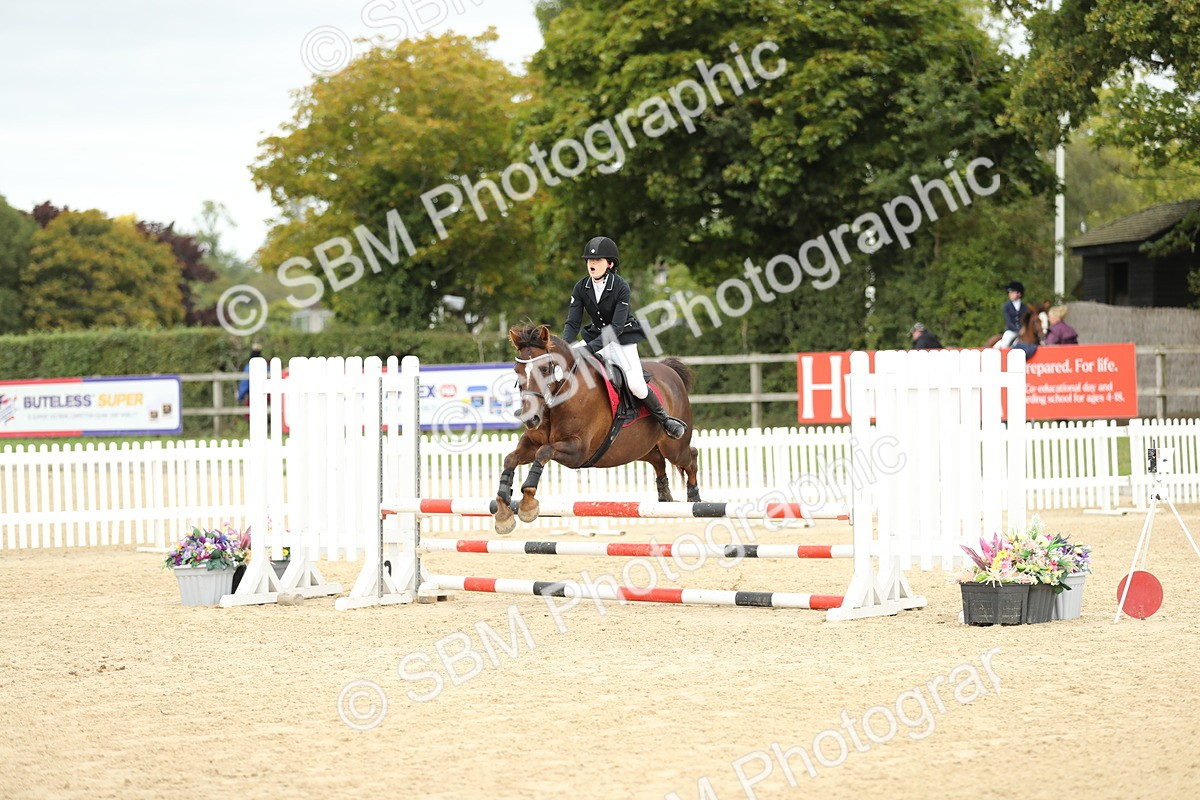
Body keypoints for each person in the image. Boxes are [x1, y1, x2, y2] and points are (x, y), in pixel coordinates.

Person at [562, 236, 686, 439]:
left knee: (636, 384)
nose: (592, 264)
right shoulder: (581, 287)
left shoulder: (620, 287)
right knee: (561, 364)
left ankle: (665, 420)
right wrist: (565, 346)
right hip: (596, 336)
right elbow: (573, 323)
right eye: (589, 260)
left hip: (621, 339)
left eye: (598, 260)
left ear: (610, 264)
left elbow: (616, 327)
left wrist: (588, 350)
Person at [993, 280, 1025, 349]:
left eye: (1013, 292)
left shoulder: (1025, 308)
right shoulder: (1006, 306)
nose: (1010, 294)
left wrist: (1022, 330)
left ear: (1019, 294)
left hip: (1022, 331)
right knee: (1005, 343)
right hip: (1011, 331)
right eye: (1009, 292)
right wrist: (1017, 330)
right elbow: (1009, 321)